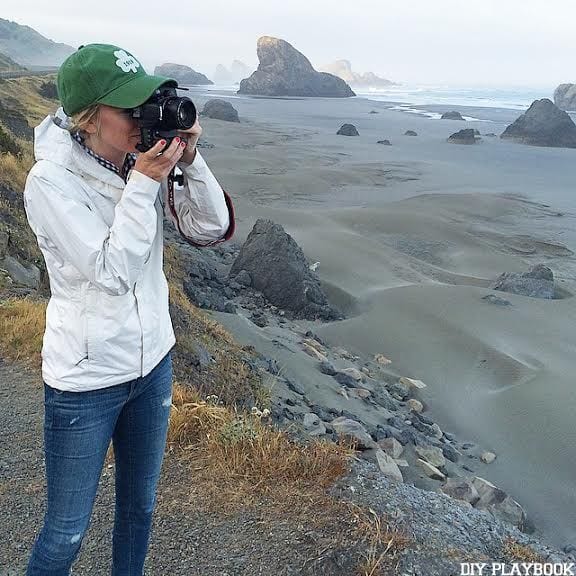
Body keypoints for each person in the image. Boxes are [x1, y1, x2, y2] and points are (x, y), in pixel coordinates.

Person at [22, 43, 235, 575]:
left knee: (139, 509)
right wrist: (144, 183)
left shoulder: (132, 163)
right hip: (87, 379)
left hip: (152, 365)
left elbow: (210, 228)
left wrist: (189, 159)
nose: (143, 118)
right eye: (130, 108)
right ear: (89, 120)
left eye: (148, 102)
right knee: (66, 531)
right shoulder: (51, 182)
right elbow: (112, 272)